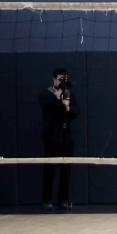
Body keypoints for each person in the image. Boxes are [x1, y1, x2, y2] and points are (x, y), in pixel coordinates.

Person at [39, 66, 77, 210]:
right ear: (54, 79)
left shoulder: (70, 94)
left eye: (64, 79)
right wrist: (57, 99)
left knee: (66, 171)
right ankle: (47, 199)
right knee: (50, 170)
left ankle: (63, 200)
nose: (62, 82)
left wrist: (67, 108)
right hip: (52, 138)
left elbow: (76, 112)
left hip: (67, 138)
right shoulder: (46, 94)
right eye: (60, 79)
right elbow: (47, 108)